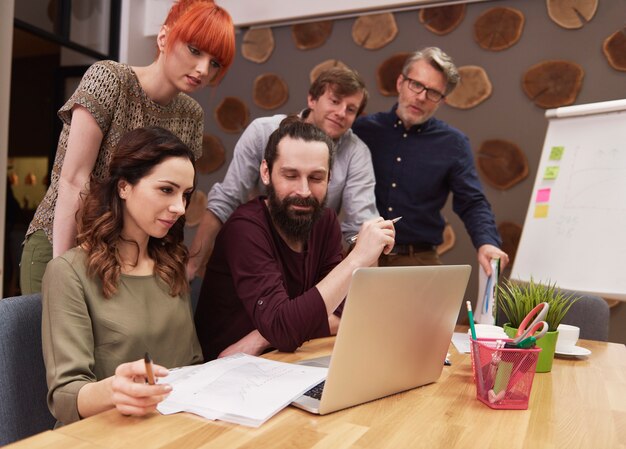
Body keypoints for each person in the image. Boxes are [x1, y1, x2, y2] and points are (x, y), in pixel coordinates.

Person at [20, 0, 236, 294]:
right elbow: (73, 181)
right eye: (194, 50)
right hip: (61, 241)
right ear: (163, 38)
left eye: (214, 63)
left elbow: (174, 198)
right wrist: (63, 269)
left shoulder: (191, 115)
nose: (202, 69)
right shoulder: (109, 80)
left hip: (122, 257)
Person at [194, 118, 395, 360]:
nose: (304, 191)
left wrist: (262, 336)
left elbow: (341, 310)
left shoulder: (325, 221)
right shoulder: (245, 229)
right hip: (227, 373)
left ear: (330, 178)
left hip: (287, 358)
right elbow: (288, 325)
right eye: (290, 175)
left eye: (316, 178)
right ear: (266, 172)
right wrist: (357, 260)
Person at [41, 127, 203, 426]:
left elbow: (191, 362)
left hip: (173, 428)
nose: (180, 208)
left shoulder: (172, 263)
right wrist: (114, 390)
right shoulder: (68, 272)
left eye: (186, 195)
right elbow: (65, 397)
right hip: (104, 434)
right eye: (167, 190)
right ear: (124, 187)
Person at [186, 67, 379, 280]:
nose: (342, 112)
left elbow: (363, 228)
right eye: (334, 101)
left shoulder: (357, 153)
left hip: (308, 260)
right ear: (312, 100)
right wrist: (192, 268)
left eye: (351, 109)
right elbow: (226, 199)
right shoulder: (262, 131)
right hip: (254, 249)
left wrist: (371, 295)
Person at [352, 47, 508, 275]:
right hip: (361, 256)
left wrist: (487, 242)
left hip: (419, 261)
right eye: (416, 85)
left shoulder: (453, 143)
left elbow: (472, 201)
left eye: (433, 92)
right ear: (400, 83)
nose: (422, 97)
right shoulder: (363, 131)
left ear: (441, 101)